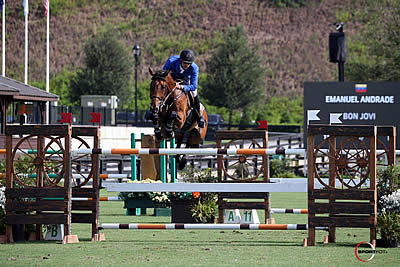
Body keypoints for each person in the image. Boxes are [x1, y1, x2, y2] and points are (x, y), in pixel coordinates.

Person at [146, 49, 205, 128]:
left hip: (186, 80)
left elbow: (194, 86)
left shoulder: (194, 68)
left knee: (194, 93)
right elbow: (163, 75)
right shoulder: (171, 61)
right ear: (180, 60)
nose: (186, 66)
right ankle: (152, 110)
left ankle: (199, 117)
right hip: (172, 77)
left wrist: (182, 87)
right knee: (160, 89)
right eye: (184, 63)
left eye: (188, 64)